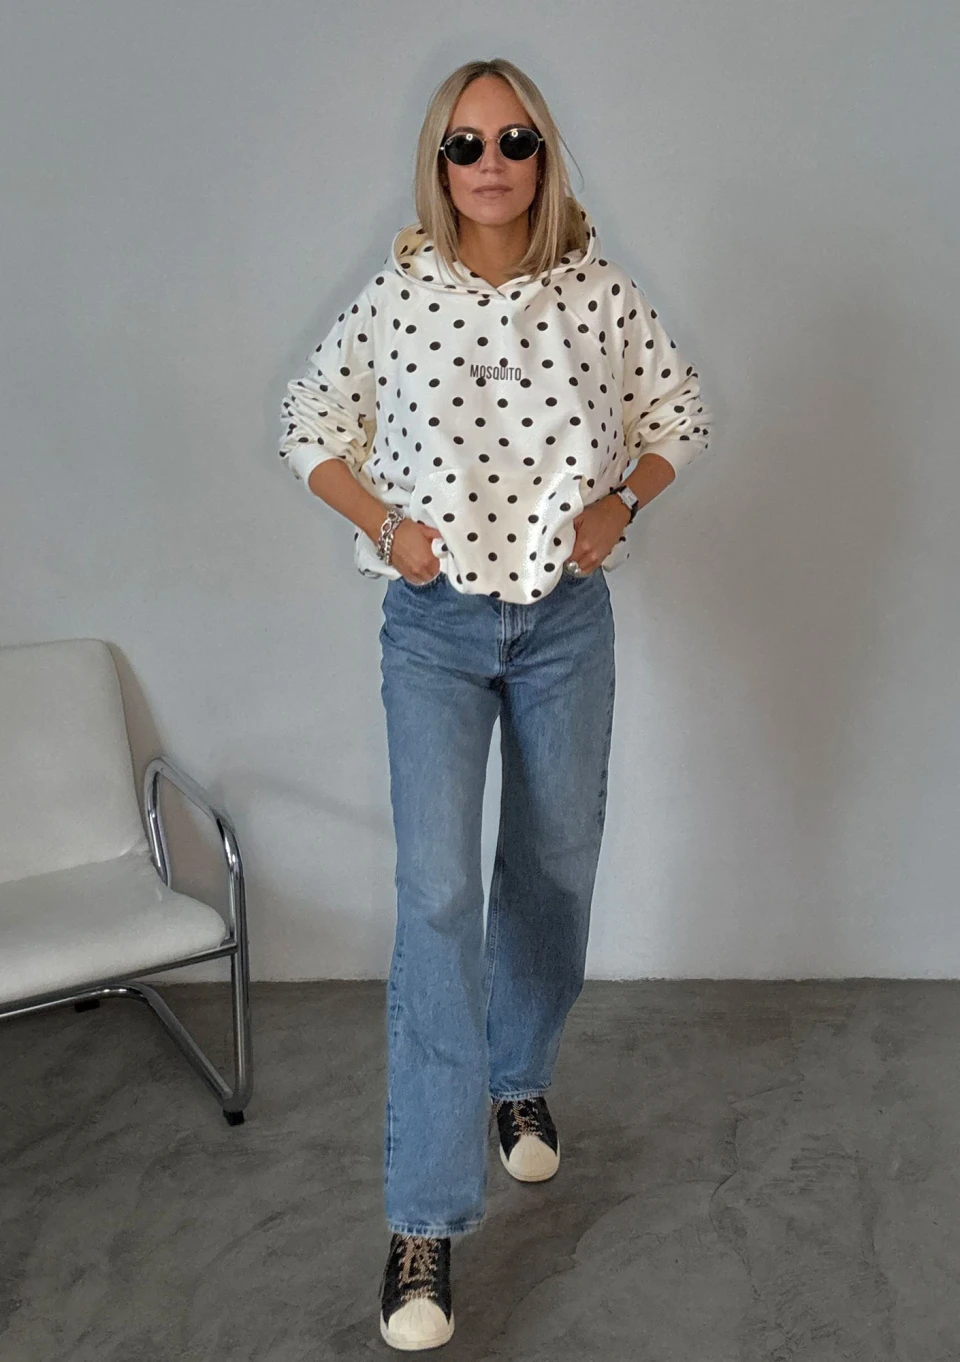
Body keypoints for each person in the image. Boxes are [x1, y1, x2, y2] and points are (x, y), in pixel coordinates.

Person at [279, 56, 712, 1352]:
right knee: (434, 896)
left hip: (565, 623)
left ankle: (517, 1076)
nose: (490, 163)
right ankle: (423, 1222)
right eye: (465, 144)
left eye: (514, 139)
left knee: (556, 861)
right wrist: (387, 528)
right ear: (438, 162)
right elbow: (308, 422)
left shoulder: (599, 291)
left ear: (543, 155)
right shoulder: (399, 294)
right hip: (435, 630)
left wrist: (621, 502)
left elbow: (680, 412)